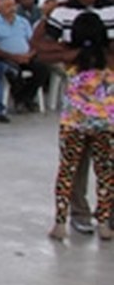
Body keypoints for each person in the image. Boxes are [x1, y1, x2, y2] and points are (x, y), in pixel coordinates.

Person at [33, 0, 114, 234]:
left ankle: (104, 215)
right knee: (76, 163)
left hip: (103, 95)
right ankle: (79, 213)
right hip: (85, 98)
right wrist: (72, 56)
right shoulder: (62, 11)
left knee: (104, 163)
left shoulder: (109, 8)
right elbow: (41, 46)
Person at [47, 13, 112, 241]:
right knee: (105, 173)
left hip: (73, 123)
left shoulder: (69, 56)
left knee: (67, 171)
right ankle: (104, 223)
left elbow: (39, 47)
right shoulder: (109, 56)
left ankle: (60, 223)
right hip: (105, 122)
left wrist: (48, 17)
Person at [0, 0, 50, 112]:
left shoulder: (23, 22)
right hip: (6, 57)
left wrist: (29, 55)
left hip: (26, 56)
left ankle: (24, 99)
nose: (11, 9)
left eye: (13, 5)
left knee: (43, 69)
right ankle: (23, 101)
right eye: (7, 6)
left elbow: (33, 42)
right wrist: (14, 57)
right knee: (13, 72)